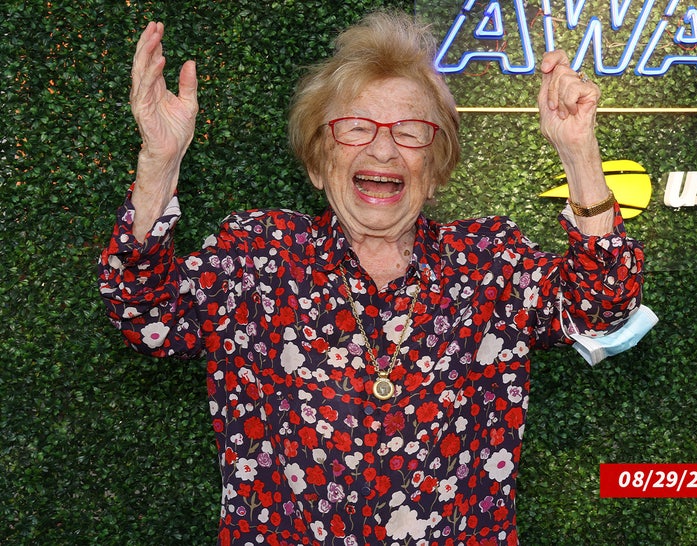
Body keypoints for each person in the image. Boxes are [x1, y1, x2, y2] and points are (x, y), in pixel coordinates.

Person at [98, 10, 643, 546]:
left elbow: (603, 306)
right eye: (356, 128)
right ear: (318, 163)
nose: (382, 149)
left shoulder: (489, 262)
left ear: (436, 171)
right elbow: (147, 316)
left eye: (411, 132)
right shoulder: (258, 255)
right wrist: (160, 161)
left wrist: (579, 153)